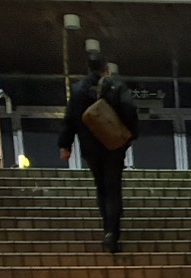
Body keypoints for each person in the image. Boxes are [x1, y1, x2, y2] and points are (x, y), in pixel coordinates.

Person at [59, 53, 139, 254]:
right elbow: (129, 110)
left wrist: (66, 145)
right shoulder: (116, 87)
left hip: (91, 148)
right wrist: (130, 135)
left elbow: (70, 119)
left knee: (101, 187)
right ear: (106, 69)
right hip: (113, 146)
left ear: (89, 68)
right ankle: (113, 232)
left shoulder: (78, 90)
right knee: (113, 188)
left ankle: (106, 228)